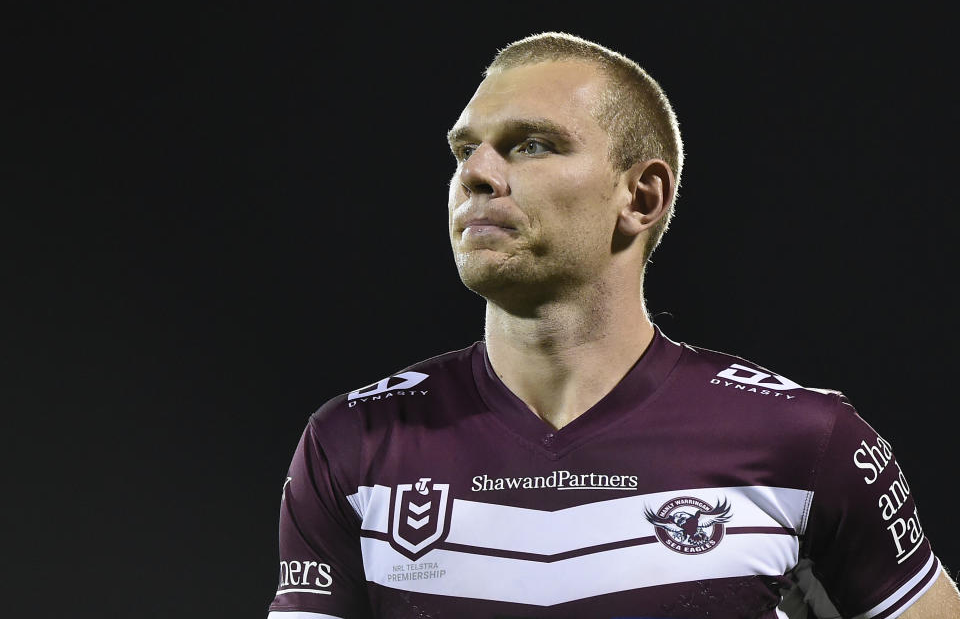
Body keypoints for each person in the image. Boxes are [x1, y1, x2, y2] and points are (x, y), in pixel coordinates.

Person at [266, 32, 959, 618]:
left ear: (641, 195)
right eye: (463, 150)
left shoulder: (807, 441)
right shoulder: (352, 444)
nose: (475, 173)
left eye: (530, 145)